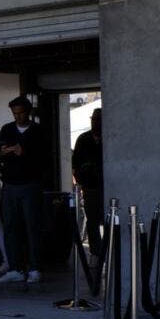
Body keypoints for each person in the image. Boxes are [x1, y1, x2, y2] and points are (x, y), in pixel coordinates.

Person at [0, 96, 50, 284]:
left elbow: (46, 157)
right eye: (14, 113)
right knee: (10, 226)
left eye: (21, 113)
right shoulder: (7, 129)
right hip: (10, 184)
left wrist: (23, 152)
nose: (17, 117)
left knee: (32, 226)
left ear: (28, 112)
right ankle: (15, 268)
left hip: (30, 184)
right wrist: (4, 151)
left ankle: (35, 268)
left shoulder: (38, 132)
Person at [72, 107, 104, 261]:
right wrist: (81, 181)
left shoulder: (110, 137)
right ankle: (96, 252)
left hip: (107, 185)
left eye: (99, 119)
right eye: (94, 119)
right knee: (92, 220)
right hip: (90, 186)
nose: (95, 122)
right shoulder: (83, 139)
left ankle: (108, 249)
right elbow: (76, 162)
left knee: (109, 220)